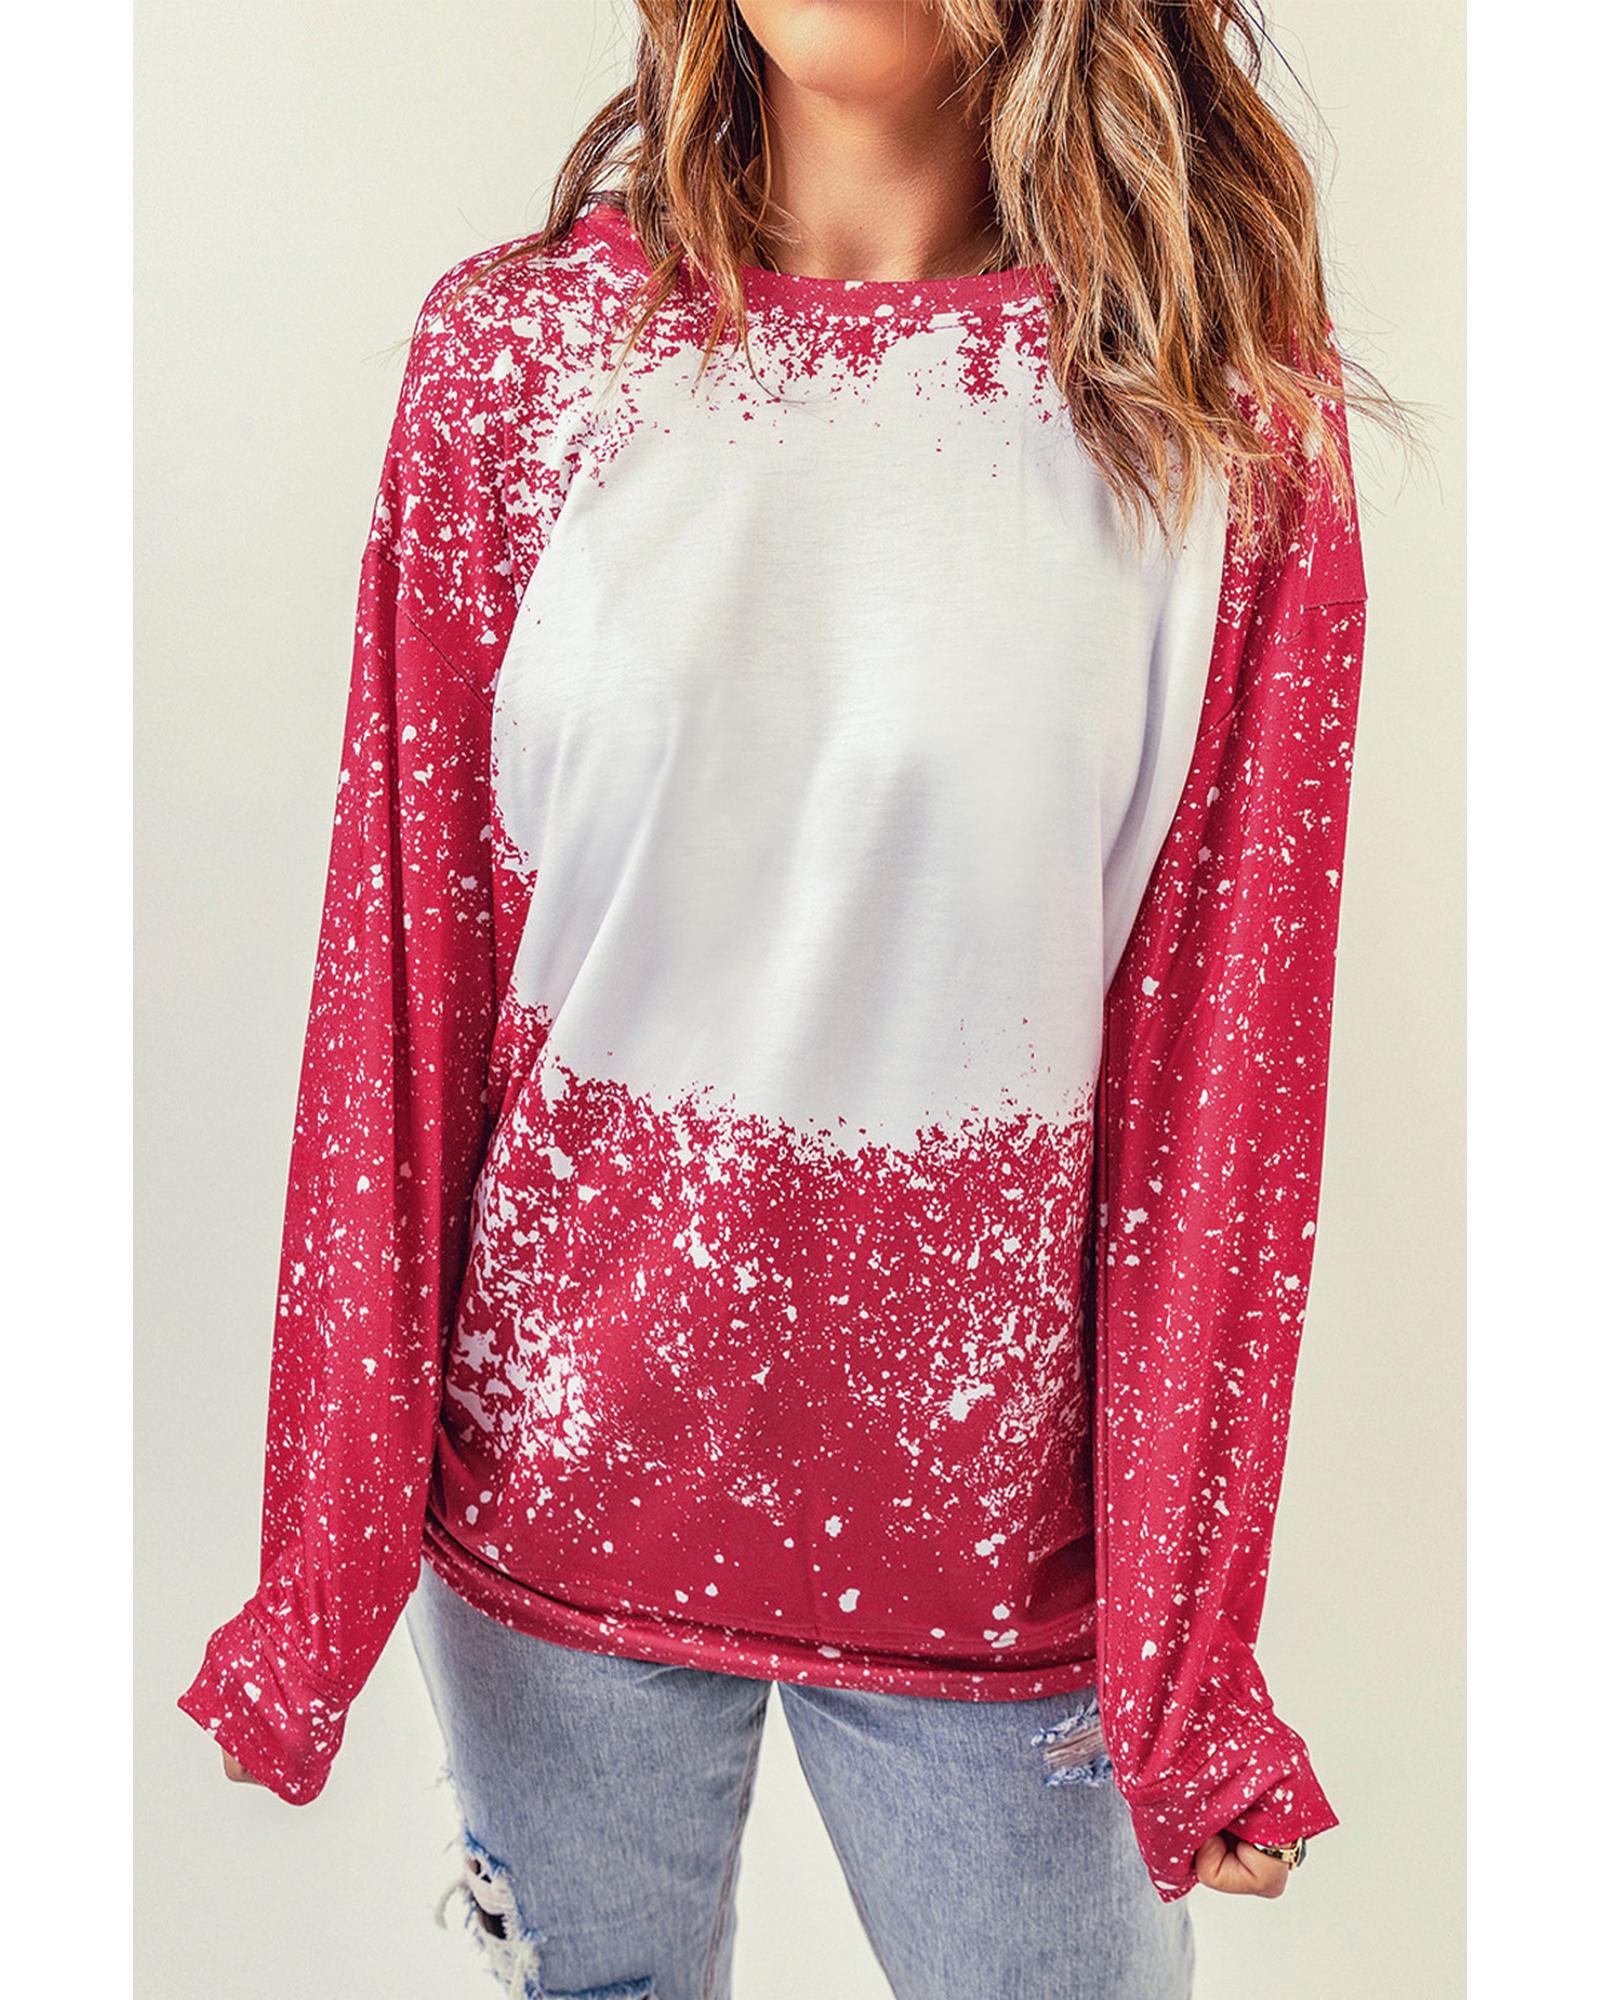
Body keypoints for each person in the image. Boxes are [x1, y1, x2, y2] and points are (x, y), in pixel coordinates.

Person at [180, 4, 1397, 1994]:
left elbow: (1222, 1086)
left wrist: (1186, 1669)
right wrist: (319, 1577)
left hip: (998, 1565)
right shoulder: (519, 360)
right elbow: (399, 994)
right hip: (552, 1508)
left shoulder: (1213, 415)